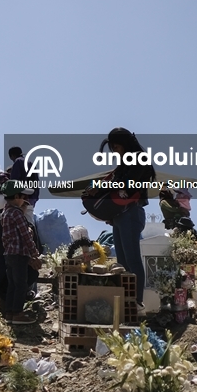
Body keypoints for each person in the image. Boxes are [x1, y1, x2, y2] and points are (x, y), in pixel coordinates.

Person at [83, 128, 149, 303]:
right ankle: (126, 302)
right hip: (119, 216)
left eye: (116, 147)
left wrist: (101, 187)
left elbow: (128, 184)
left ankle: (137, 302)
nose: (116, 152)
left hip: (131, 213)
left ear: (125, 144)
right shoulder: (123, 164)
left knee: (132, 259)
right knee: (122, 263)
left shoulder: (140, 160)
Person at [0, 180, 42, 324]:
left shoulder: (5, 212)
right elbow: (25, 235)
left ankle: (9, 312)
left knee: (13, 284)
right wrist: (34, 253)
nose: (25, 199)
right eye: (23, 196)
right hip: (19, 254)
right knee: (21, 284)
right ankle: (18, 312)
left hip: (9, 254)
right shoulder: (17, 213)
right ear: (17, 196)